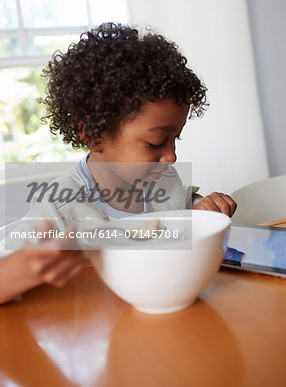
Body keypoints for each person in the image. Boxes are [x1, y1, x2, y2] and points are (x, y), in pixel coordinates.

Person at [0, 23, 236, 304]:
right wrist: (27, 267)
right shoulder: (59, 209)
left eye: (176, 139)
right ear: (94, 135)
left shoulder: (164, 178)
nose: (171, 157)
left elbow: (181, 212)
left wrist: (200, 207)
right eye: (156, 143)